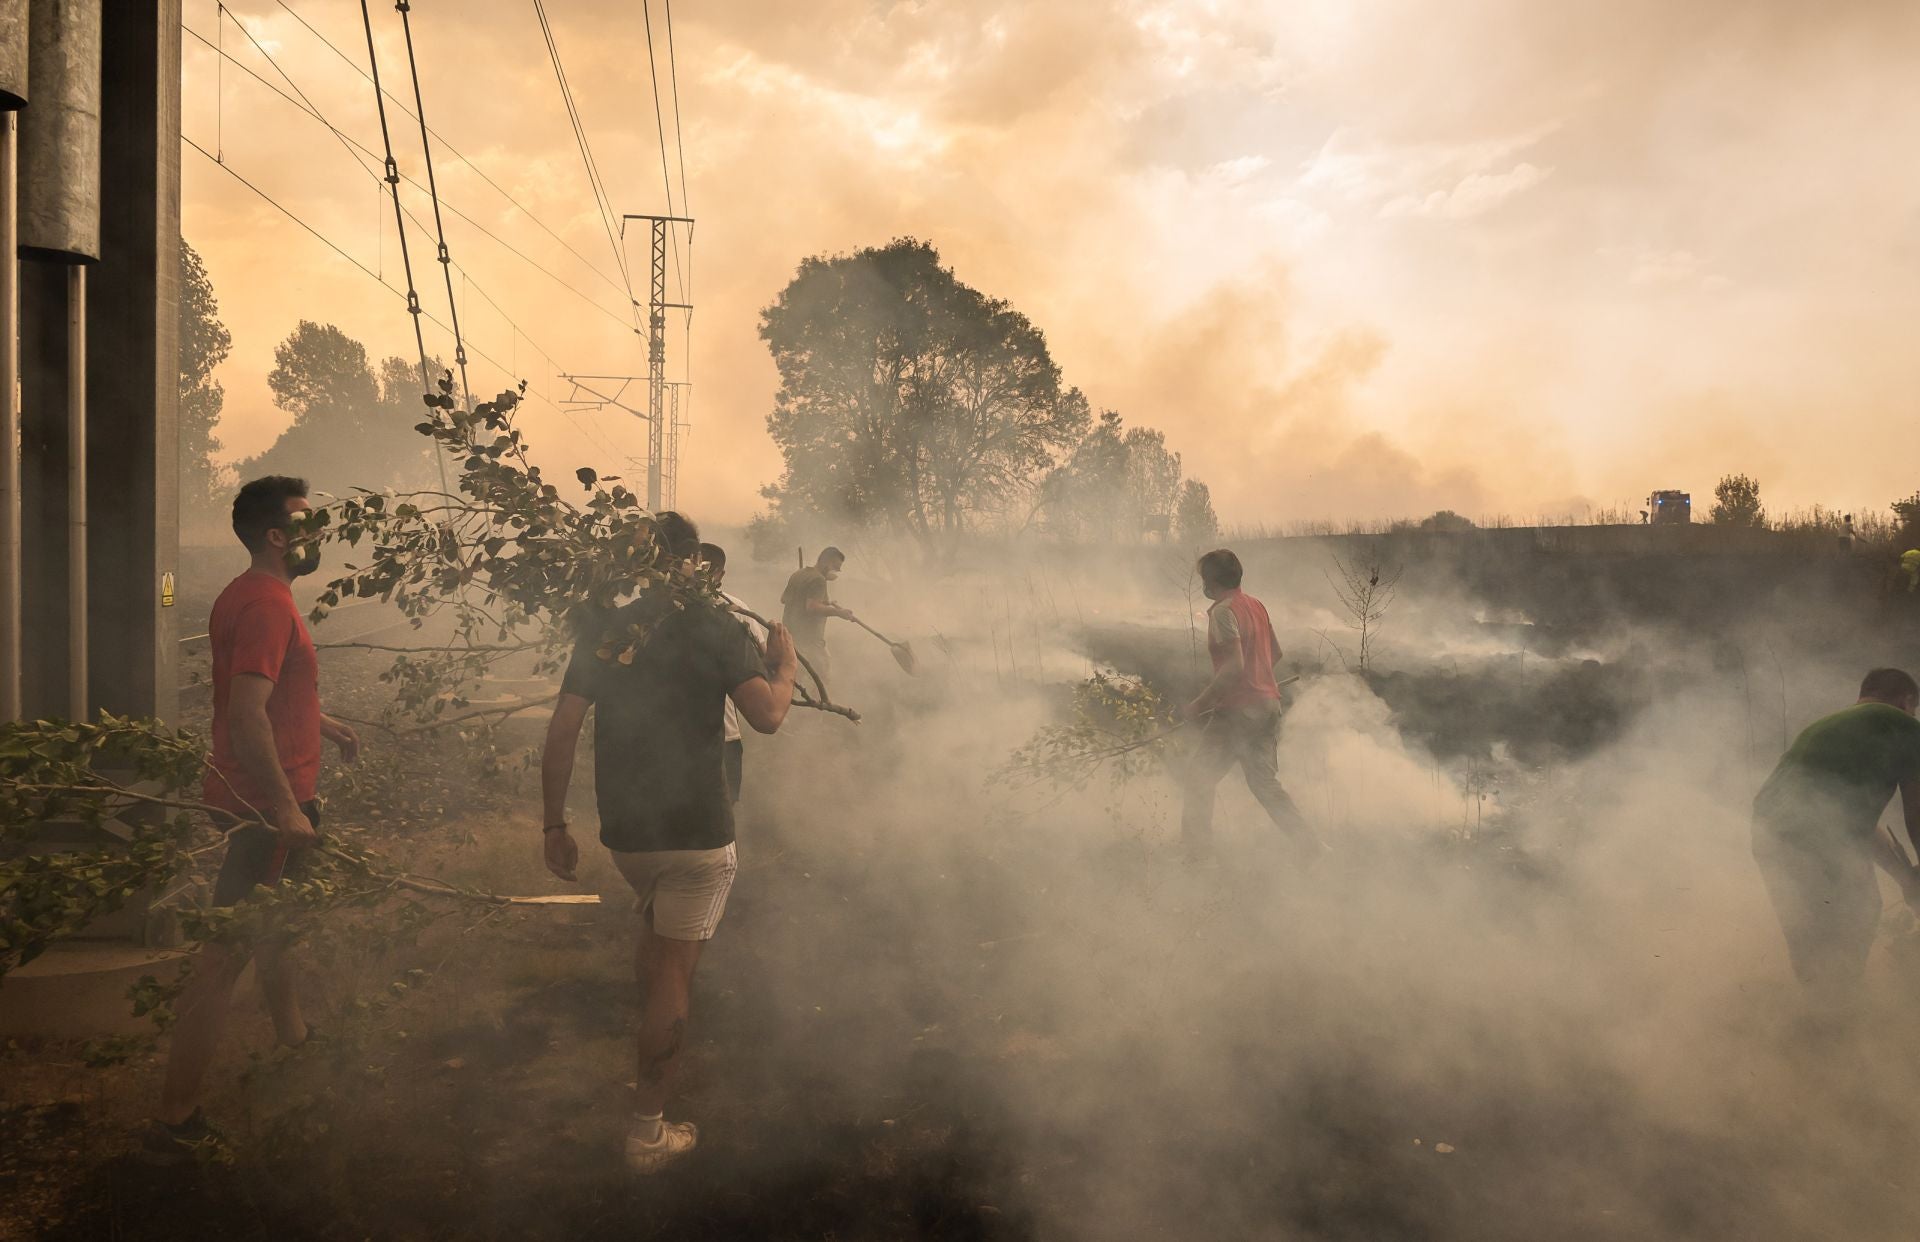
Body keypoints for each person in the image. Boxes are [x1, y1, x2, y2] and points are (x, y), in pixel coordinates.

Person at [541, 512, 799, 1174]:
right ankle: (648, 1131)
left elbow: (564, 727)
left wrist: (553, 824)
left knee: (657, 942)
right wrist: (786, 667)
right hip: (696, 834)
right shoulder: (713, 625)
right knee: (675, 975)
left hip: (627, 835)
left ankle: (650, 1026)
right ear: (688, 565)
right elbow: (768, 716)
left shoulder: (606, 625)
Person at [138, 476, 361, 1163]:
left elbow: (255, 690)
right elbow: (244, 715)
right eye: (309, 523)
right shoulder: (268, 604)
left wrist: (320, 722)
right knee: (222, 957)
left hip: (250, 796)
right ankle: (176, 1121)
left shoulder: (245, 594)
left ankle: (293, 1037)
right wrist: (287, 809)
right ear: (277, 535)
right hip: (266, 807)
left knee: (277, 924)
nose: (319, 533)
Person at [1751, 667, 1920, 1003]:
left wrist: (1905, 877)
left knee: (1810, 931)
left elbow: (1856, 823)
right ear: (1907, 701)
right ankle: (1839, 1014)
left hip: (1768, 835)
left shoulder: (1824, 728)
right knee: (1859, 909)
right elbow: (1917, 809)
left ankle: (1814, 1014)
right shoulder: (1905, 727)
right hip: (1819, 832)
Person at [1175, 549, 1313, 862]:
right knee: (1264, 784)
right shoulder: (1256, 605)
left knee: (1198, 779)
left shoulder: (1223, 612)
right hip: (1267, 706)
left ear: (1211, 581)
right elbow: (1274, 654)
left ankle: (1195, 855)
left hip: (1239, 712)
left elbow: (1234, 667)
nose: (1203, 585)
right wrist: (1259, 682)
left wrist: (1200, 704)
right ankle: (1312, 847)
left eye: (1204, 579)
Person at [698, 541, 765, 804]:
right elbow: (764, 656)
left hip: (674, 737)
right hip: (723, 734)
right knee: (724, 811)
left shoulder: (665, 607)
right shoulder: (735, 609)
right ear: (721, 575)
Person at [781, 546, 854, 680]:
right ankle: (820, 700)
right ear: (826, 562)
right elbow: (812, 607)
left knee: (794, 677)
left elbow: (785, 599)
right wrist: (839, 613)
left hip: (790, 637)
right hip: (810, 641)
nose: (837, 571)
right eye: (835, 567)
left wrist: (824, 603)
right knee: (821, 676)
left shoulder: (799, 574)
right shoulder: (818, 580)